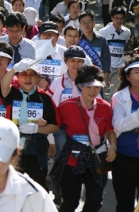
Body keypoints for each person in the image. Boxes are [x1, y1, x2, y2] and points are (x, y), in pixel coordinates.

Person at [50, 65, 117, 212]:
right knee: (70, 202)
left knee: (95, 201)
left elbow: (110, 130)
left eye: (97, 87)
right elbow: (55, 126)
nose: (93, 91)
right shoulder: (66, 106)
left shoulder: (105, 107)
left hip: (97, 159)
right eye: (88, 87)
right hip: (72, 158)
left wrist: (113, 146)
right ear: (80, 86)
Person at [0, 59, 60, 189]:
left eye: (32, 74)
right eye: (23, 74)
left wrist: (37, 128)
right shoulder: (13, 93)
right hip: (14, 146)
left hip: (36, 149)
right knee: (12, 186)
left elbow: (55, 125)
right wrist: (14, 69)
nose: (28, 78)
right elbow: (4, 86)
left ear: (38, 77)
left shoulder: (45, 98)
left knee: (36, 186)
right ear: (17, 77)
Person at [111, 57, 139, 212]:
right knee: (124, 203)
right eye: (136, 72)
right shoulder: (119, 97)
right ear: (128, 77)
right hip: (124, 157)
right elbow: (118, 124)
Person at [98, 6, 130, 98]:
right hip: (105, 67)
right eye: (116, 18)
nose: (119, 21)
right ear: (112, 18)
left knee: (116, 94)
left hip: (119, 67)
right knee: (100, 92)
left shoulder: (126, 32)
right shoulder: (103, 32)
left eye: (121, 18)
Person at [79, 10, 111, 86]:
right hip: (81, 77)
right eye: (83, 22)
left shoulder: (102, 40)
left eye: (89, 22)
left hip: (98, 77)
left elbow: (106, 60)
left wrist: (106, 79)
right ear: (80, 25)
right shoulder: (78, 40)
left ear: (94, 23)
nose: (86, 25)